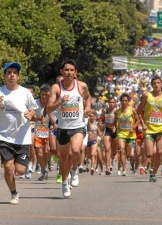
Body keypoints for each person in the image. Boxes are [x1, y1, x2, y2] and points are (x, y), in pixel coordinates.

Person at [0, 62, 38, 204]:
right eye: (9, 72)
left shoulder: (25, 93)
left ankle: (17, 172)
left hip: (23, 137)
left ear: (18, 76)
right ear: (4, 76)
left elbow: (34, 109)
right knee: (8, 167)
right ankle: (14, 193)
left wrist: (30, 113)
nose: (12, 75)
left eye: (15, 72)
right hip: (5, 136)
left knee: (20, 170)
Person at [47, 59, 91, 198]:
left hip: (78, 126)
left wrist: (88, 107)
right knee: (63, 157)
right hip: (63, 128)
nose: (69, 73)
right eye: (66, 70)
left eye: (72, 70)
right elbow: (48, 108)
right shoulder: (56, 88)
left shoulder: (81, 86)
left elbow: (88, 98)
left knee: (76, 150)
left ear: (76, 73)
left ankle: (75, 170)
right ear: (62, 71)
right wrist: (60, 101)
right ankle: (65, 182)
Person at [137, 76, 162, 182]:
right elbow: (139, 110)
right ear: (151, 85)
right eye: (154, 83)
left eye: (158, 83)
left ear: (161, 84)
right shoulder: (147, 95)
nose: (156, 85)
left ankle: (153, 173)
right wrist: (142, 123)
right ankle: (150, 167)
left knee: (160, 152)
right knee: (149, 154)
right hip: (149, 128)